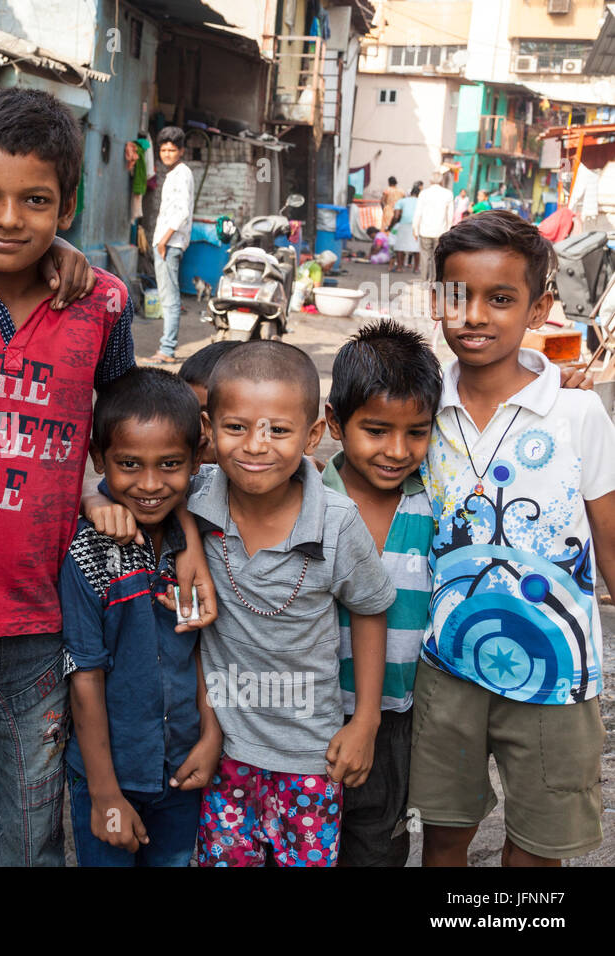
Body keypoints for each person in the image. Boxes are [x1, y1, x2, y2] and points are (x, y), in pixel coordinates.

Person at [0, 85, 216, 867]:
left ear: (66, 210)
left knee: (24, 846)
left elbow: (134, 434)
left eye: (35, 201)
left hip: (42, 630)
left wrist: (179, 527)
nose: (7, 219)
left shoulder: (101, 305)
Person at [411, 210, 615, 867]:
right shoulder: (417, 411)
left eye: (501, 299)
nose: (475, 315)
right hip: (446, 668)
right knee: (443, 834)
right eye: (457, 295)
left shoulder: (579, 411)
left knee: (536, 847)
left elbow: (609, 539)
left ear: (539, 308)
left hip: (557, 677)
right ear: (434, 299)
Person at [169, 341, 397, 867]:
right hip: (225, 750)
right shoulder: (196, 498)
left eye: (278, 429)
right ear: (208, 427)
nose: (255, 446)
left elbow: (369, 611)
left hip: (311, 756)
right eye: (236, 427)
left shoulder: (337, 522)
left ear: (312, 434)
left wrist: (365, 722)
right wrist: (99, 499)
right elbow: (129, 486)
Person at [61, 368, 222, 866]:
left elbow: (202, 648)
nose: (150, 484)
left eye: (170, 464)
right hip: (111, 775)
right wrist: (106, 794)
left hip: (182, 767)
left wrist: (211, 737)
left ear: (197, 458)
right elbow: (84, 677)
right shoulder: (88, 553)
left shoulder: (196, 540)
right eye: (128, 464)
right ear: (98, 458)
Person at [322, 320, 442, 866]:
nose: (397, 450)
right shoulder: (302, 498)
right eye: (376, 430)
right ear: (334, 424)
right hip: (309, 714)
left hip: (397, 717)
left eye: (416, 432)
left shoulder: (434, 506)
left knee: (379, 842)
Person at [143, 126, 195, 365]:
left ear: (181, 151)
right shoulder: (174, 174)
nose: (166, 154)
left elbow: (182, 211)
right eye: (163, 150)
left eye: (172, 150)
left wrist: (163, 241)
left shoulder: (181, 173)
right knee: (168, 296)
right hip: (167, 242)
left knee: (170, 298)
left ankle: (167, 349)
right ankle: (167, 347)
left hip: (170, 243)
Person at [413, 169, 454, 284]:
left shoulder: (424, 193)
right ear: (441, 181)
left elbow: (418, 213)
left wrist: (415, 228)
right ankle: (435, 281)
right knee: (438, 257)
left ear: (430, 181)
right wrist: (449, 230)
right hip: (441, 232)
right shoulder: (448, 194)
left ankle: (424, 281)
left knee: (425, 256)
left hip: (425, 230)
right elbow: (450, 215)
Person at [390, 183, 420, 273]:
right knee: (416, 248)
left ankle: (399, 267)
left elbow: (396, 216)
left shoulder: (402, 201)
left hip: (404, 225)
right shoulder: (421, 201)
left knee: (400, 246)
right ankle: (416, 268)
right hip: (416, 226)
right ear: (419, 194)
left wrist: (392, 226)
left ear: (410, 193)